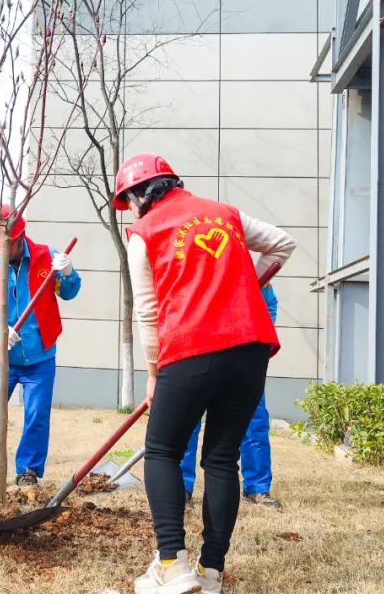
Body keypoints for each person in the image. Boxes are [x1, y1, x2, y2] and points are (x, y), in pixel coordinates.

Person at [116, 153, 295, 594]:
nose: (130, 210)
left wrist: (154, 372)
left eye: (128, 201)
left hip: (191, 349)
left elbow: (148, 309)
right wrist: (246, 283)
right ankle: (212, 572)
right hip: (250, 348)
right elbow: (282, 243)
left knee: (160, 451)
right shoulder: (226, 215)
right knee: (220, 458)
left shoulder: (145, 232)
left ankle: (173, 566)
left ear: (142, 194)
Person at [0, 205, 81, 486]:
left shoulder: (47, 256)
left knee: (36, 414)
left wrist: (68, 273)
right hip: (0, 355)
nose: (3, 250)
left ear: (21, 236)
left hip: (40, 356)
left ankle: (28, 471)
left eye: (8, 244)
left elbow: (69, 292)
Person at [181, 284, 281, 509]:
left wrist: (254, 344)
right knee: (186, 423)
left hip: (242, 360)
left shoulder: (253, 276)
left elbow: (269, 308)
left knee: (255, 423)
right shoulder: (201, 268)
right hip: (199, 355)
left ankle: (257, 487)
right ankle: (181, 487)